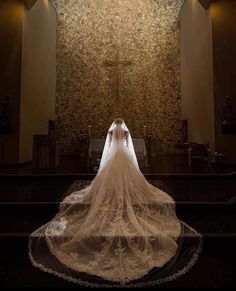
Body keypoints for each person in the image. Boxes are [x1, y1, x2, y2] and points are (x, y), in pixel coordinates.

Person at [29, 119, 202, 287]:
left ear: (114, 126)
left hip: (113, 158)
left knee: (108, 180)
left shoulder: (111, 131)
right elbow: (129, 148)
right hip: (124, 157)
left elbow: (108, 147)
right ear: (123, 126)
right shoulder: (126, 131)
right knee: (129, 180)